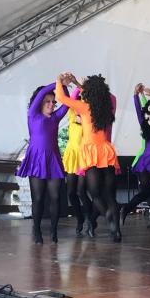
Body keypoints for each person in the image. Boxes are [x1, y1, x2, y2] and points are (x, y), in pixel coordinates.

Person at [55, 73, 123, 242]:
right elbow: (104, 95)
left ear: (89, 93)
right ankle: (117, 231)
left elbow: (61, 97)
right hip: (106, 151)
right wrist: (80, 83)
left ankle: (108, 216)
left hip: (91, 153)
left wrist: (59, 80)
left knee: (95, 194)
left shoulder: (84, 108)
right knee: (109, 195)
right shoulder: (109, 107)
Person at [17, 83, 69, 244]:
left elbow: (67, 102)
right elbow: (43, 93)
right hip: (36, 161)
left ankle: (54, 231)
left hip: (53, 161)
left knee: (55, 197)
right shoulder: (33, 115)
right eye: (48, 101)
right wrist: (58, 82)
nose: (51, 104)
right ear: (39, 103)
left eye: (53, 102)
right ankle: (37, 230)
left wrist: (64, 86)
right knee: (38, 198)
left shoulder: (55, 117)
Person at [121, 84, 150, 229]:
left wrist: (136, 95)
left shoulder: (144, 123)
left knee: (147, 191)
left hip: (144, 160)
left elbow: (138, 111)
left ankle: (127, 208)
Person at [61, 85, 94, 236]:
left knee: (81, 191)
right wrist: (79, 87)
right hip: (72, 155)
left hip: (84, 157)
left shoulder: (90, 117)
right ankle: (80, 218)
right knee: (71, 192)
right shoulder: (71, 114)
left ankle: (90, 220)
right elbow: (70, 99)